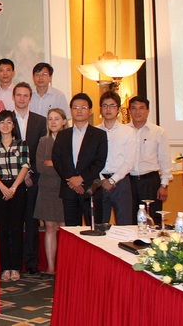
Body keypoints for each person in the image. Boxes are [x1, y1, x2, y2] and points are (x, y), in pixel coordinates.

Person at [52, 93, 108, 227]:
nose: (79, 111)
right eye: (75, 107)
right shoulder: (63, 135)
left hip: (90, 189)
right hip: (69, 189)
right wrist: (72, 180)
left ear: (90, 111)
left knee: (94, 228)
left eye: (83, 107)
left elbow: (100, 161)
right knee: (71, 229)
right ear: (71, 111)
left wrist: (81, 178)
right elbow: (57, 159)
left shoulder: (99, 134)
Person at [0, 110, 30, 282]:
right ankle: (5, 267)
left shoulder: (21, 144)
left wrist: (13, 188)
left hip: (17, 188)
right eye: (2, 122)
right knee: (3, 229)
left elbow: (25, 166)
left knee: (17, 229)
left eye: (9, 122)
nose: (5, 125)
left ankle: (15, 267)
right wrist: (3, 188)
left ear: (13, 125)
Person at [11, 82, 48, 276]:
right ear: (13, 97)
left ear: (30, 98)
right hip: (12, 179)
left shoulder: (40, 121)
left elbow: (41, 151)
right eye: (19, 95)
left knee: (32, 221)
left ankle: (32, 262)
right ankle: (14, 262)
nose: (22, 98)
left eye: (25, 95)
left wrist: (29, 172)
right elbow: (5, 150)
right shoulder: (6, 119)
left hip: (33, 178)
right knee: (15, 221)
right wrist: (20, 174)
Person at [33, 108, 68, 279]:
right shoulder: (43, 141)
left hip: (66, 187)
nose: (53, 122)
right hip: (47, 188)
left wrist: (53, 163)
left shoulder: (70, 139)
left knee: (66, 228)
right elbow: (40, 167)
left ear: (64, 121)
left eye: (56, 118)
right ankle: (51, 267)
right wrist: (58, 165)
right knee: (49, 227)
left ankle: (66, 267)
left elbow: (69, 167)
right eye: (50, 119)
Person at [127, 95, 172, 226]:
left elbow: (165, 159)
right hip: (128, 181)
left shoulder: (159, 132)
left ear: (147, 111)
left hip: (150, 182)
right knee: (129, 219)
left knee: (152, 220)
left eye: (141, 108)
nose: (137, 112)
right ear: (129, 111)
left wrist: (164, 185)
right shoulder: (124, 131)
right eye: (133, 108)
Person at [96, 91, 136, 225]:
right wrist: (103, 180)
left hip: (121, 182)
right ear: (100, 109)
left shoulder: (128, 132)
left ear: (118, 109)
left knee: (125, 224)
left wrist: (113, 180)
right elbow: (91, 160)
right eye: (105, 106)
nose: (108, 109)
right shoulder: (94, 132)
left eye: (112, 106)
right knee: (100, 225)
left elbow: (129, 161)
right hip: (99, 182)